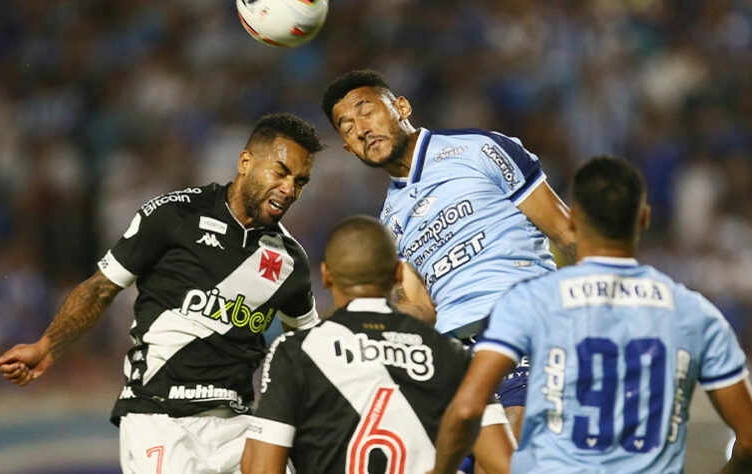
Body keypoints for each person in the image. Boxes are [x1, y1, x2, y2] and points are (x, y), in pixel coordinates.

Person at [0, 113, 325, 474]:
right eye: (281, 173)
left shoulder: (290, 260)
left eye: (300, 181)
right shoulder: (174, 216)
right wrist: (47, 346)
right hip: (160, 418)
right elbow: (101, 289)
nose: (290, 189)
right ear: (245, 162)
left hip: (237, 425)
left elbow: (308, 345)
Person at [431, 156, 752, 473]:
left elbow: (468, 408)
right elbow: (749, 440)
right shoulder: (695, 313)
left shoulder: (529, 303)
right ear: (643, 218)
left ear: (572, 219)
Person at [321, 69, 577, 439]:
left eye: (367, 111)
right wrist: (358, 326)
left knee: (515, 436)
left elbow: (566, 232)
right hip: (454, 361)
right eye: (346, 127)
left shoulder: (480, 149)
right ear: (348, 148)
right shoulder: (388, 220)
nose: (361, 129)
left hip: (525, 326)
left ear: (402, 106)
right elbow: (421, 309)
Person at [240, 215, 515, 474]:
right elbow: (507, 465)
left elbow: (261, 468)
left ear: (326, 275)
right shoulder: (451, 356)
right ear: (397, 273)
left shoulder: (295, 352)